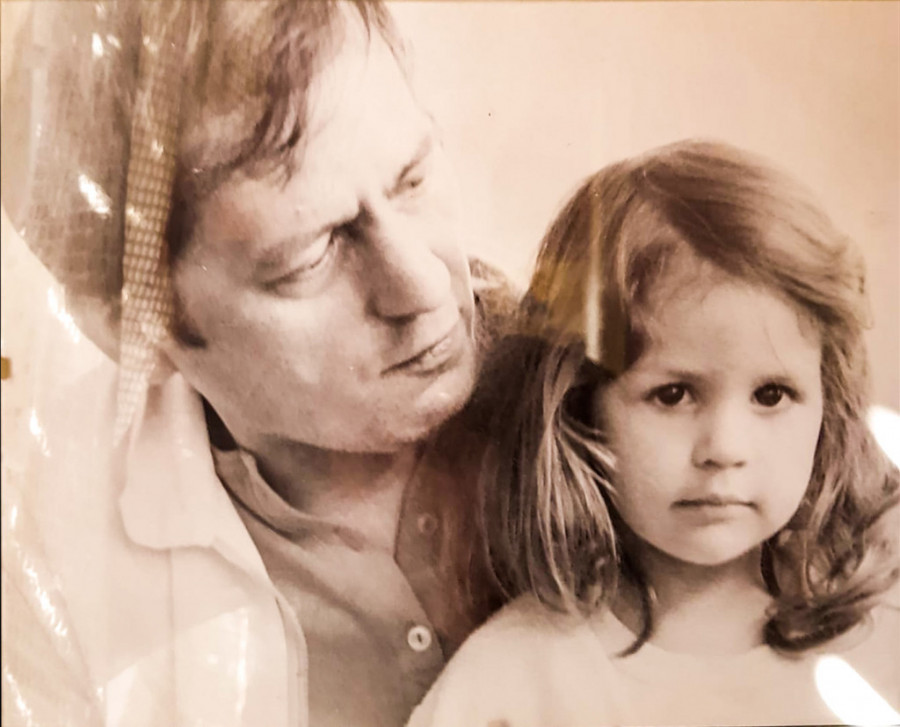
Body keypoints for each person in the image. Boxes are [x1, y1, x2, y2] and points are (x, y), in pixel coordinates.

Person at [0, 2, 512, 726]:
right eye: (311, 257)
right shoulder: (42, 554)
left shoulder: (620, 389)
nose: (425, 287)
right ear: (136, 327)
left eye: (413, 179)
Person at [408, 140, 900, 726]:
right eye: (673, 395)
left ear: (827, 405)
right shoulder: (516, 678)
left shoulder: (876, 648)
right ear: (579, 409)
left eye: (771, 395)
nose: (725, 449)